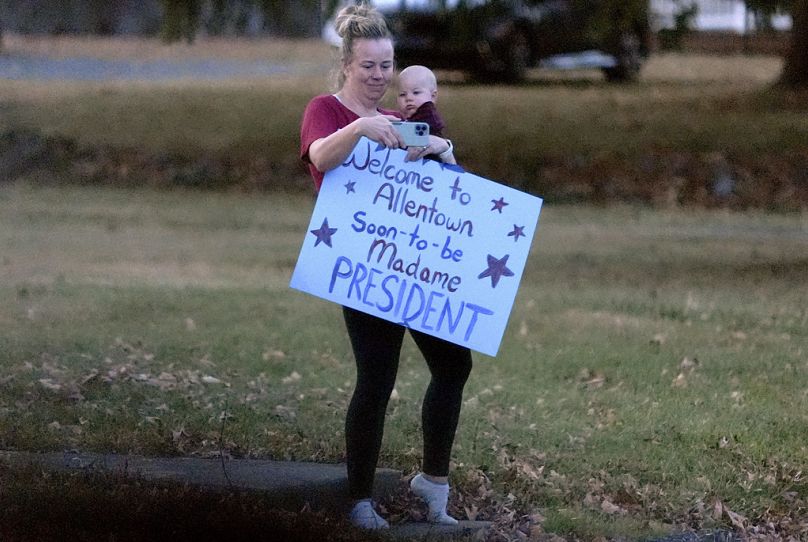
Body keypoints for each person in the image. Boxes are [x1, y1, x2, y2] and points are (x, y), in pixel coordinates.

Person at [299, 2, 470, 531]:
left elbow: (448, 173)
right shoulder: (326, 110)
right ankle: (358, 499)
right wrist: (360, 130)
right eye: (368, 65)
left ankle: (434, 485)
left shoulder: (402, 120)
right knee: (376, 378)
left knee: (453, 365)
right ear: (347, 64)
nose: (378, 76)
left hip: (415, 267)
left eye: (386, 66)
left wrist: (443, 147)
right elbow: (321, 156)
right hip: (363, 266)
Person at [395, 64, 455, 164]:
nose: (408, 98)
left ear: (433, 96)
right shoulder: (401, 118)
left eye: (416, 92)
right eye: (402, 94)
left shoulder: (427, 114)